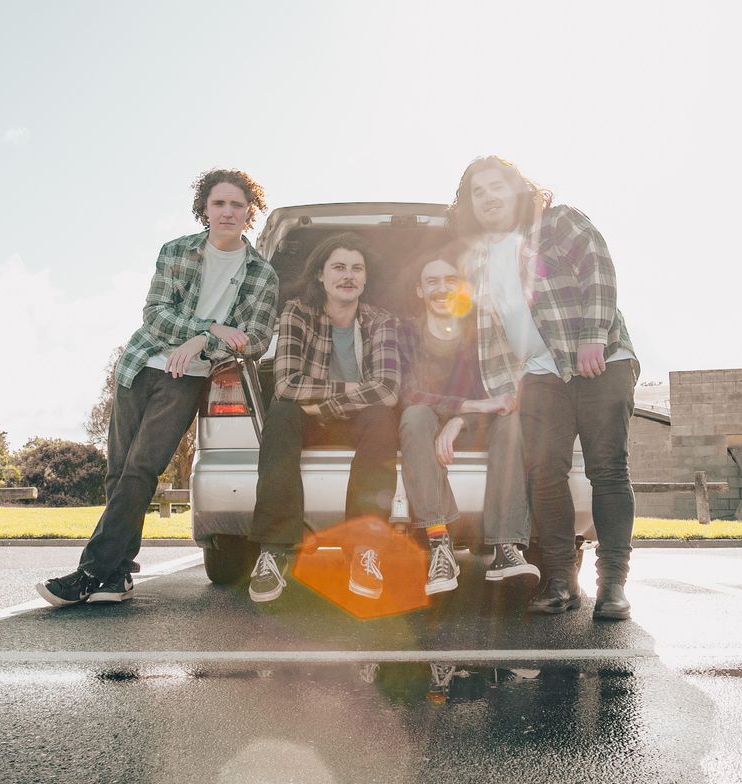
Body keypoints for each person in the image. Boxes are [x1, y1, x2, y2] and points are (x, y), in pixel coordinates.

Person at [37, 169, 278, 606]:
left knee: (142, 469)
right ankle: (119, 575)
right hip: (138, 366)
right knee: (119, 471)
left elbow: (255, 339)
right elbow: (155, 314)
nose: (227, 211)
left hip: (188, 378)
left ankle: (90, 572)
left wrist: (202, 342)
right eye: (219, 203)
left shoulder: (262, 275)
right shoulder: (177, 252)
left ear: (250, 212)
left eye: (237, 204)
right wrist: (212, 328)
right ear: (204, 209)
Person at [450, 155, 639, 620]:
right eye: (478, 191)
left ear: (517, 190)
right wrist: (503, 387)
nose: (489, 197)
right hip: (539, 374)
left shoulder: (558, 222)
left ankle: (612, 585)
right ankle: (560, 582)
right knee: (544, 473)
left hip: (599, 362)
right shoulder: (477, 259)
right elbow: (490, 335)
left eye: (497, 186)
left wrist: (594, 334)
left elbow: (599, 269)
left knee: (607, 469)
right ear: (469, 204)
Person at [247, 235, 403, 604]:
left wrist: (325, 405)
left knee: (383, 418)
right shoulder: (297, 312)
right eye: (338, 267)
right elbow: (285, 385)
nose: (348, 276)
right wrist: (352, 389)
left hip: (344, 417)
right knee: (281, 413)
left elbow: (388, 391)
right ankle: (273, 551)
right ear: (320, 274)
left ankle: (365, 553)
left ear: (365, 278)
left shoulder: (382, 321)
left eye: (356, 268)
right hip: (307, 419)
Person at [397, 251, 540, 595]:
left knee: (510, 422)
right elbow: (408, 393)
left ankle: (507, 549)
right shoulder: (406, 331)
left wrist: (460, 418)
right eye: (432, 281)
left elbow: (498, 392)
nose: (441, 288)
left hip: (476, 425)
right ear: (420, 290)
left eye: (450, 280)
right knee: (414, 416)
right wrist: (465, 405)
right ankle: (439, 545)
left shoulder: (480, 331)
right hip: (427, 424)